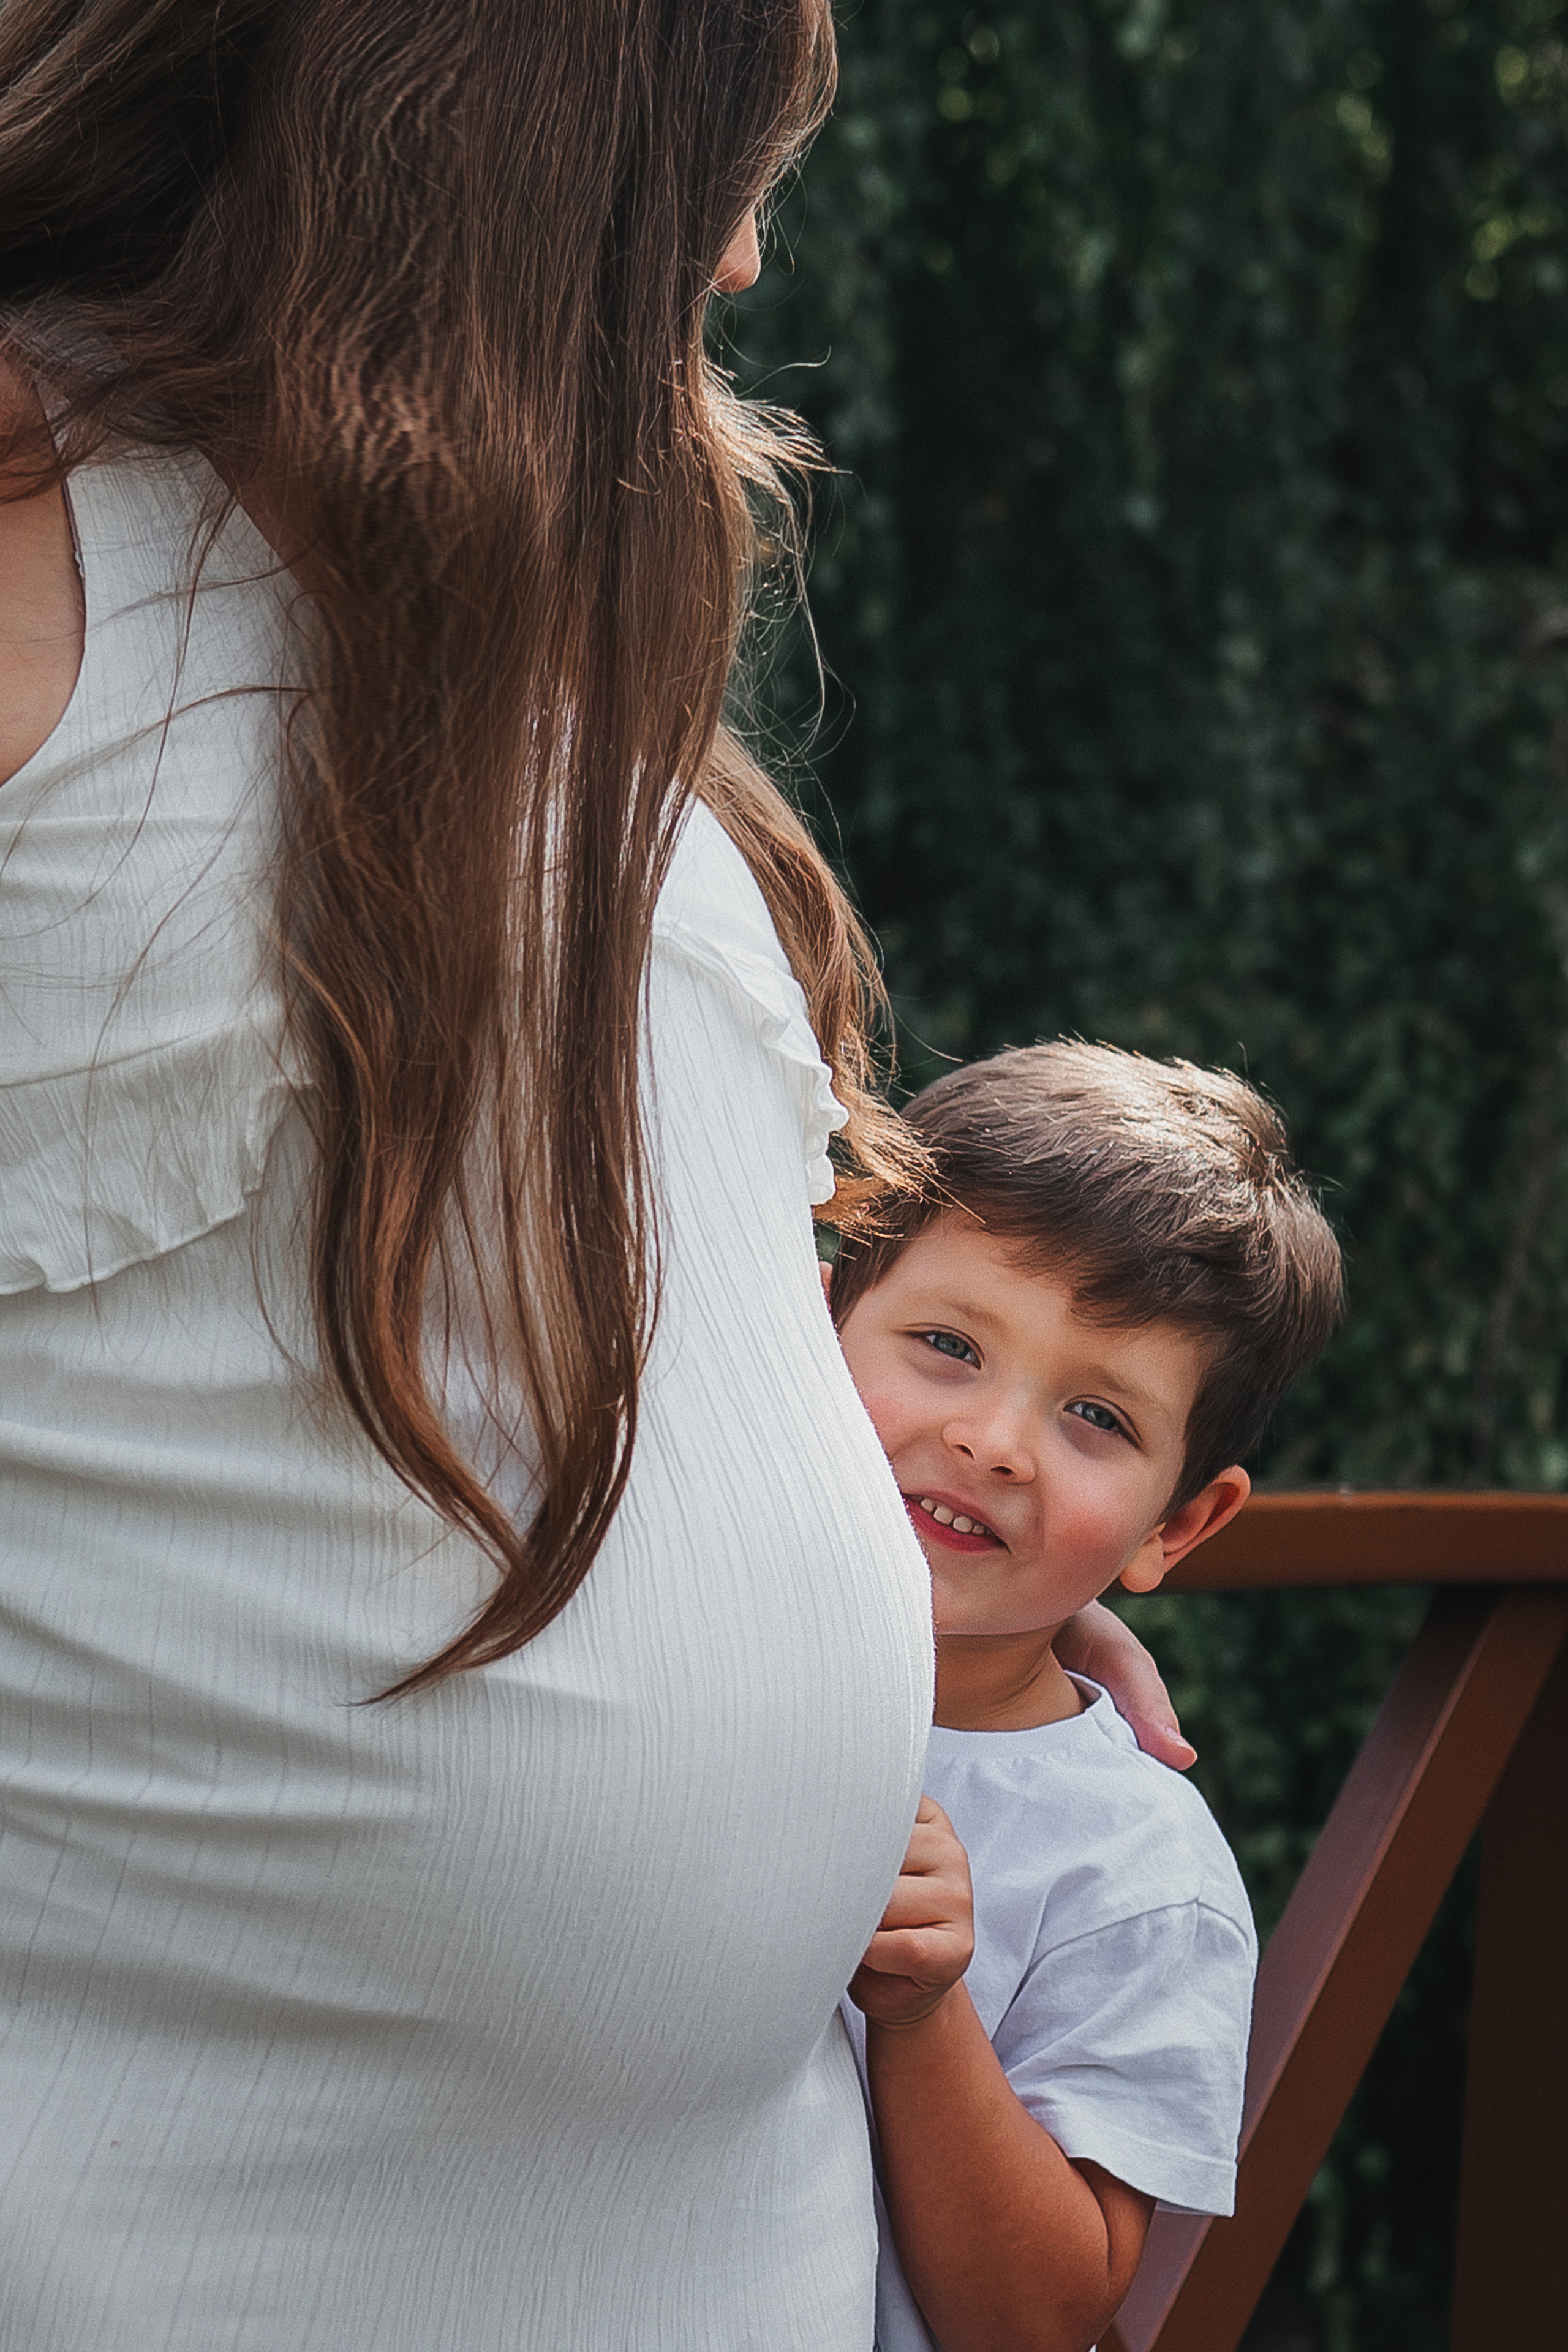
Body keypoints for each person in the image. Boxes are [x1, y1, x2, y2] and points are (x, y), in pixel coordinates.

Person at [0, 7, 1185, 2346]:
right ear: (526, 163)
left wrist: (902, 1588)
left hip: (696, 2246)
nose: (743, 262)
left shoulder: (540, 642)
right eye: (720, 170)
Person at [830, 1042, 1344, 2352]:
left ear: (1174, 1527)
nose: (993, 1439)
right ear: (817, 1317)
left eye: (1096, 1419)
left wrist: (923, 2007)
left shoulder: (1136, 1872)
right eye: (946, 1344)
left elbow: (1040, 2323)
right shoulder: (652, 1620)